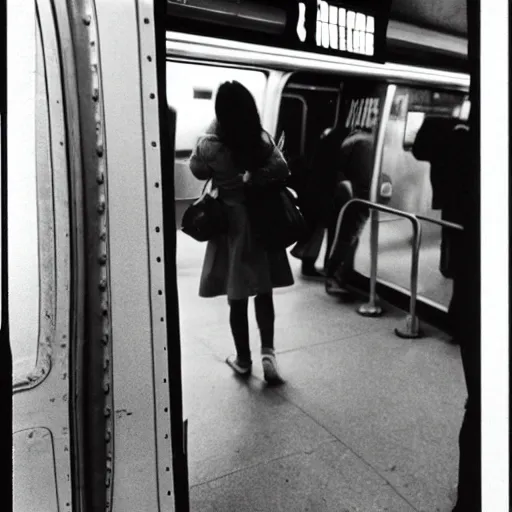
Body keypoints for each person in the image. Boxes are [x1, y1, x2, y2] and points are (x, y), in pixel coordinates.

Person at [189, 81, 294, 384]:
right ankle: (269, 356)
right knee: (263, 291)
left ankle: (243, 360)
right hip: (261, 221)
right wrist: (257, 177)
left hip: (231, 227)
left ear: (220, 113)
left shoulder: (210, 146)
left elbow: (197, 170)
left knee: (237, 298)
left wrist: (215, 127)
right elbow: (282, 169)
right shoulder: (261, 140)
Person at [324, 127, 374, 293]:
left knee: (339, 235)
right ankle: (335, 276)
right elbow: (364, 177)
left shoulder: (350, 140)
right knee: (347, 237)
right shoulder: (366, 144)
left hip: (342, 193)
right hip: (355, 196)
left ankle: (337, 274)